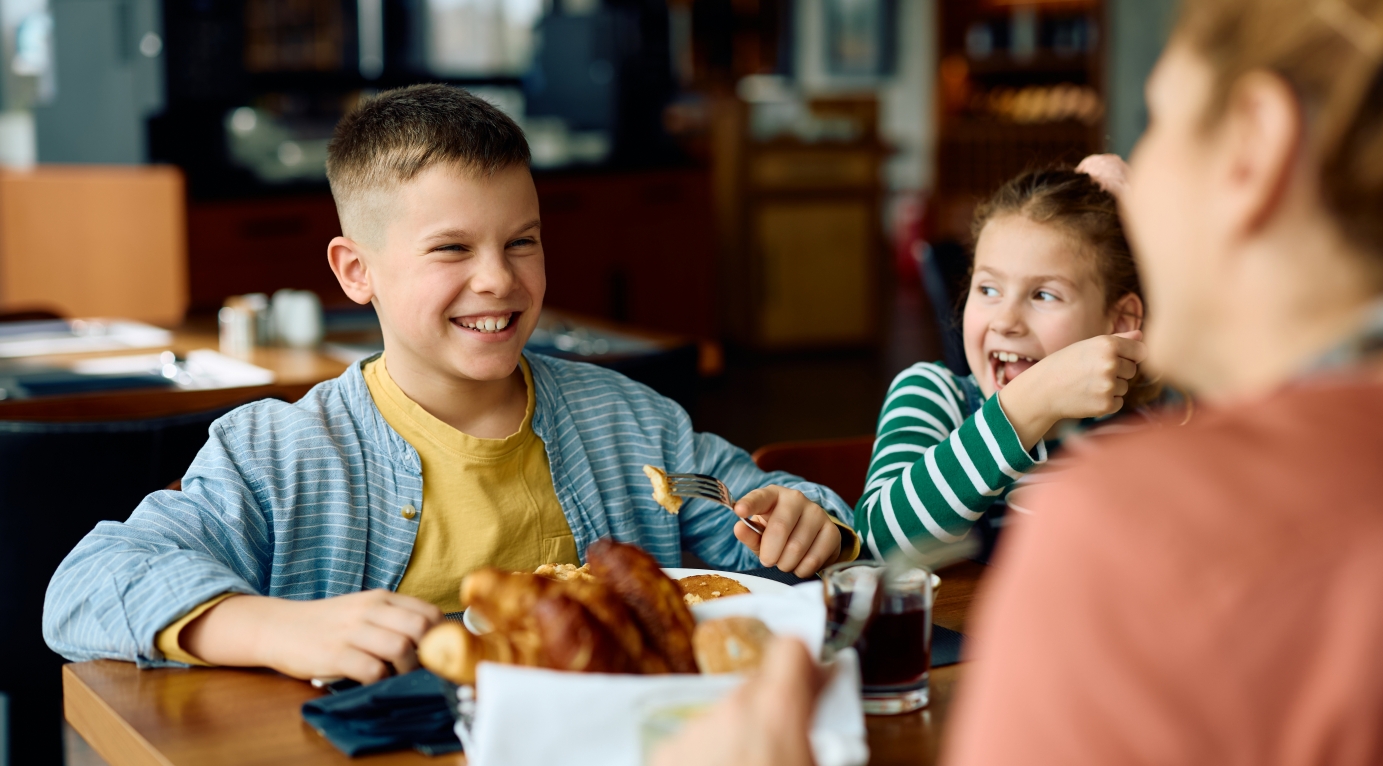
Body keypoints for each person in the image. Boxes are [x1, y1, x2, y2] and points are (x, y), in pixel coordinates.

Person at [656, 0, 1383, 760]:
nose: (1124, 183)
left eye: (1160, 127)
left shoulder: (1137, 508)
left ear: (1254, 146)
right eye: (988, 286)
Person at [43, 84, 858, 684]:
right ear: (355, 270)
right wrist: (275, 629)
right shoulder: (278, 455)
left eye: (523, 242)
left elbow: (764, 523)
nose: (498, 280)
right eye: (451, 250)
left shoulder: (634, 424)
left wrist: (802, 517)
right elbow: (83, 587)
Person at [855, 166, 1170, 563]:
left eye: (1043, 295)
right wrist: (1031, 403)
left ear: (1120, 322)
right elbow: (876, 541)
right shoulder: (933, 395)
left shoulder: (1139, 431)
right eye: (988, 289)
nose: (1005, 320)